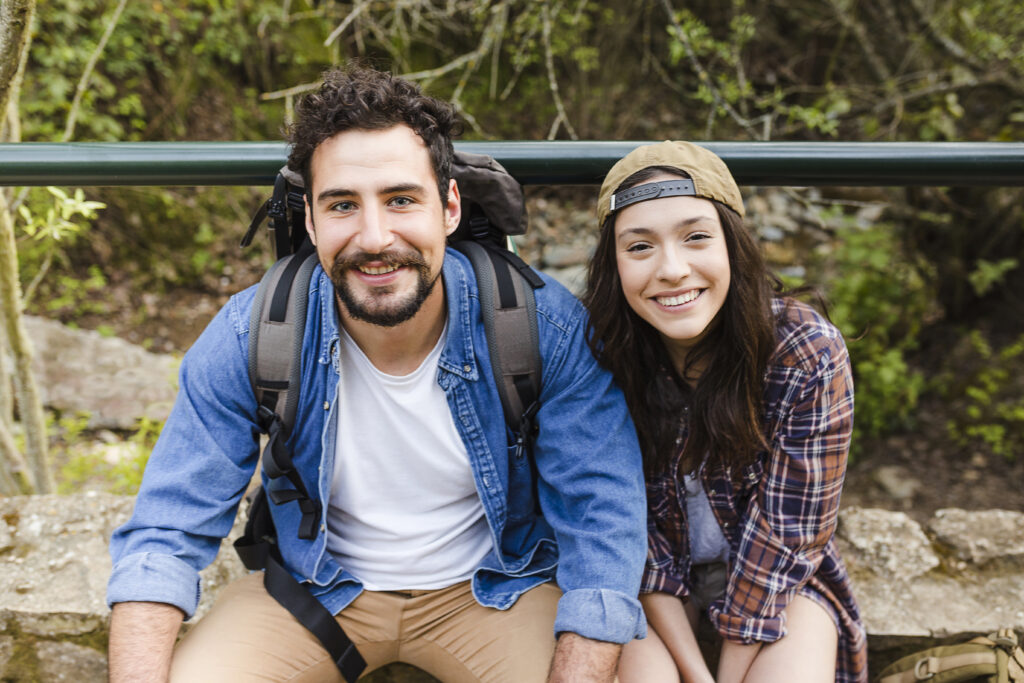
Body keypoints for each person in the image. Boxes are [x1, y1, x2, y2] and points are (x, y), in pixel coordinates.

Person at [106, 66, 647, 683]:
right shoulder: (251, 333)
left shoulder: (540, 325)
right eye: (342, 205)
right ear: (310, 222)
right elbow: (166, 530)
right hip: (311, 594)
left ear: (448, 207)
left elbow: (603, 516)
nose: (374, 236)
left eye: (401, 199)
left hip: (497, 589)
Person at [582, 141, 868, 683]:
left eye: (695, 237)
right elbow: (629, 537)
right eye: (639, 246)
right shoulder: (596, 353)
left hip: (779, 582)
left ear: (733, 245)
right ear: (613, 263)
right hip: (645, 588)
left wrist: (730, 675)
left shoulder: (805, 352)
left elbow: (789, 533)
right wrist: (696, 673)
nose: (671, 269)